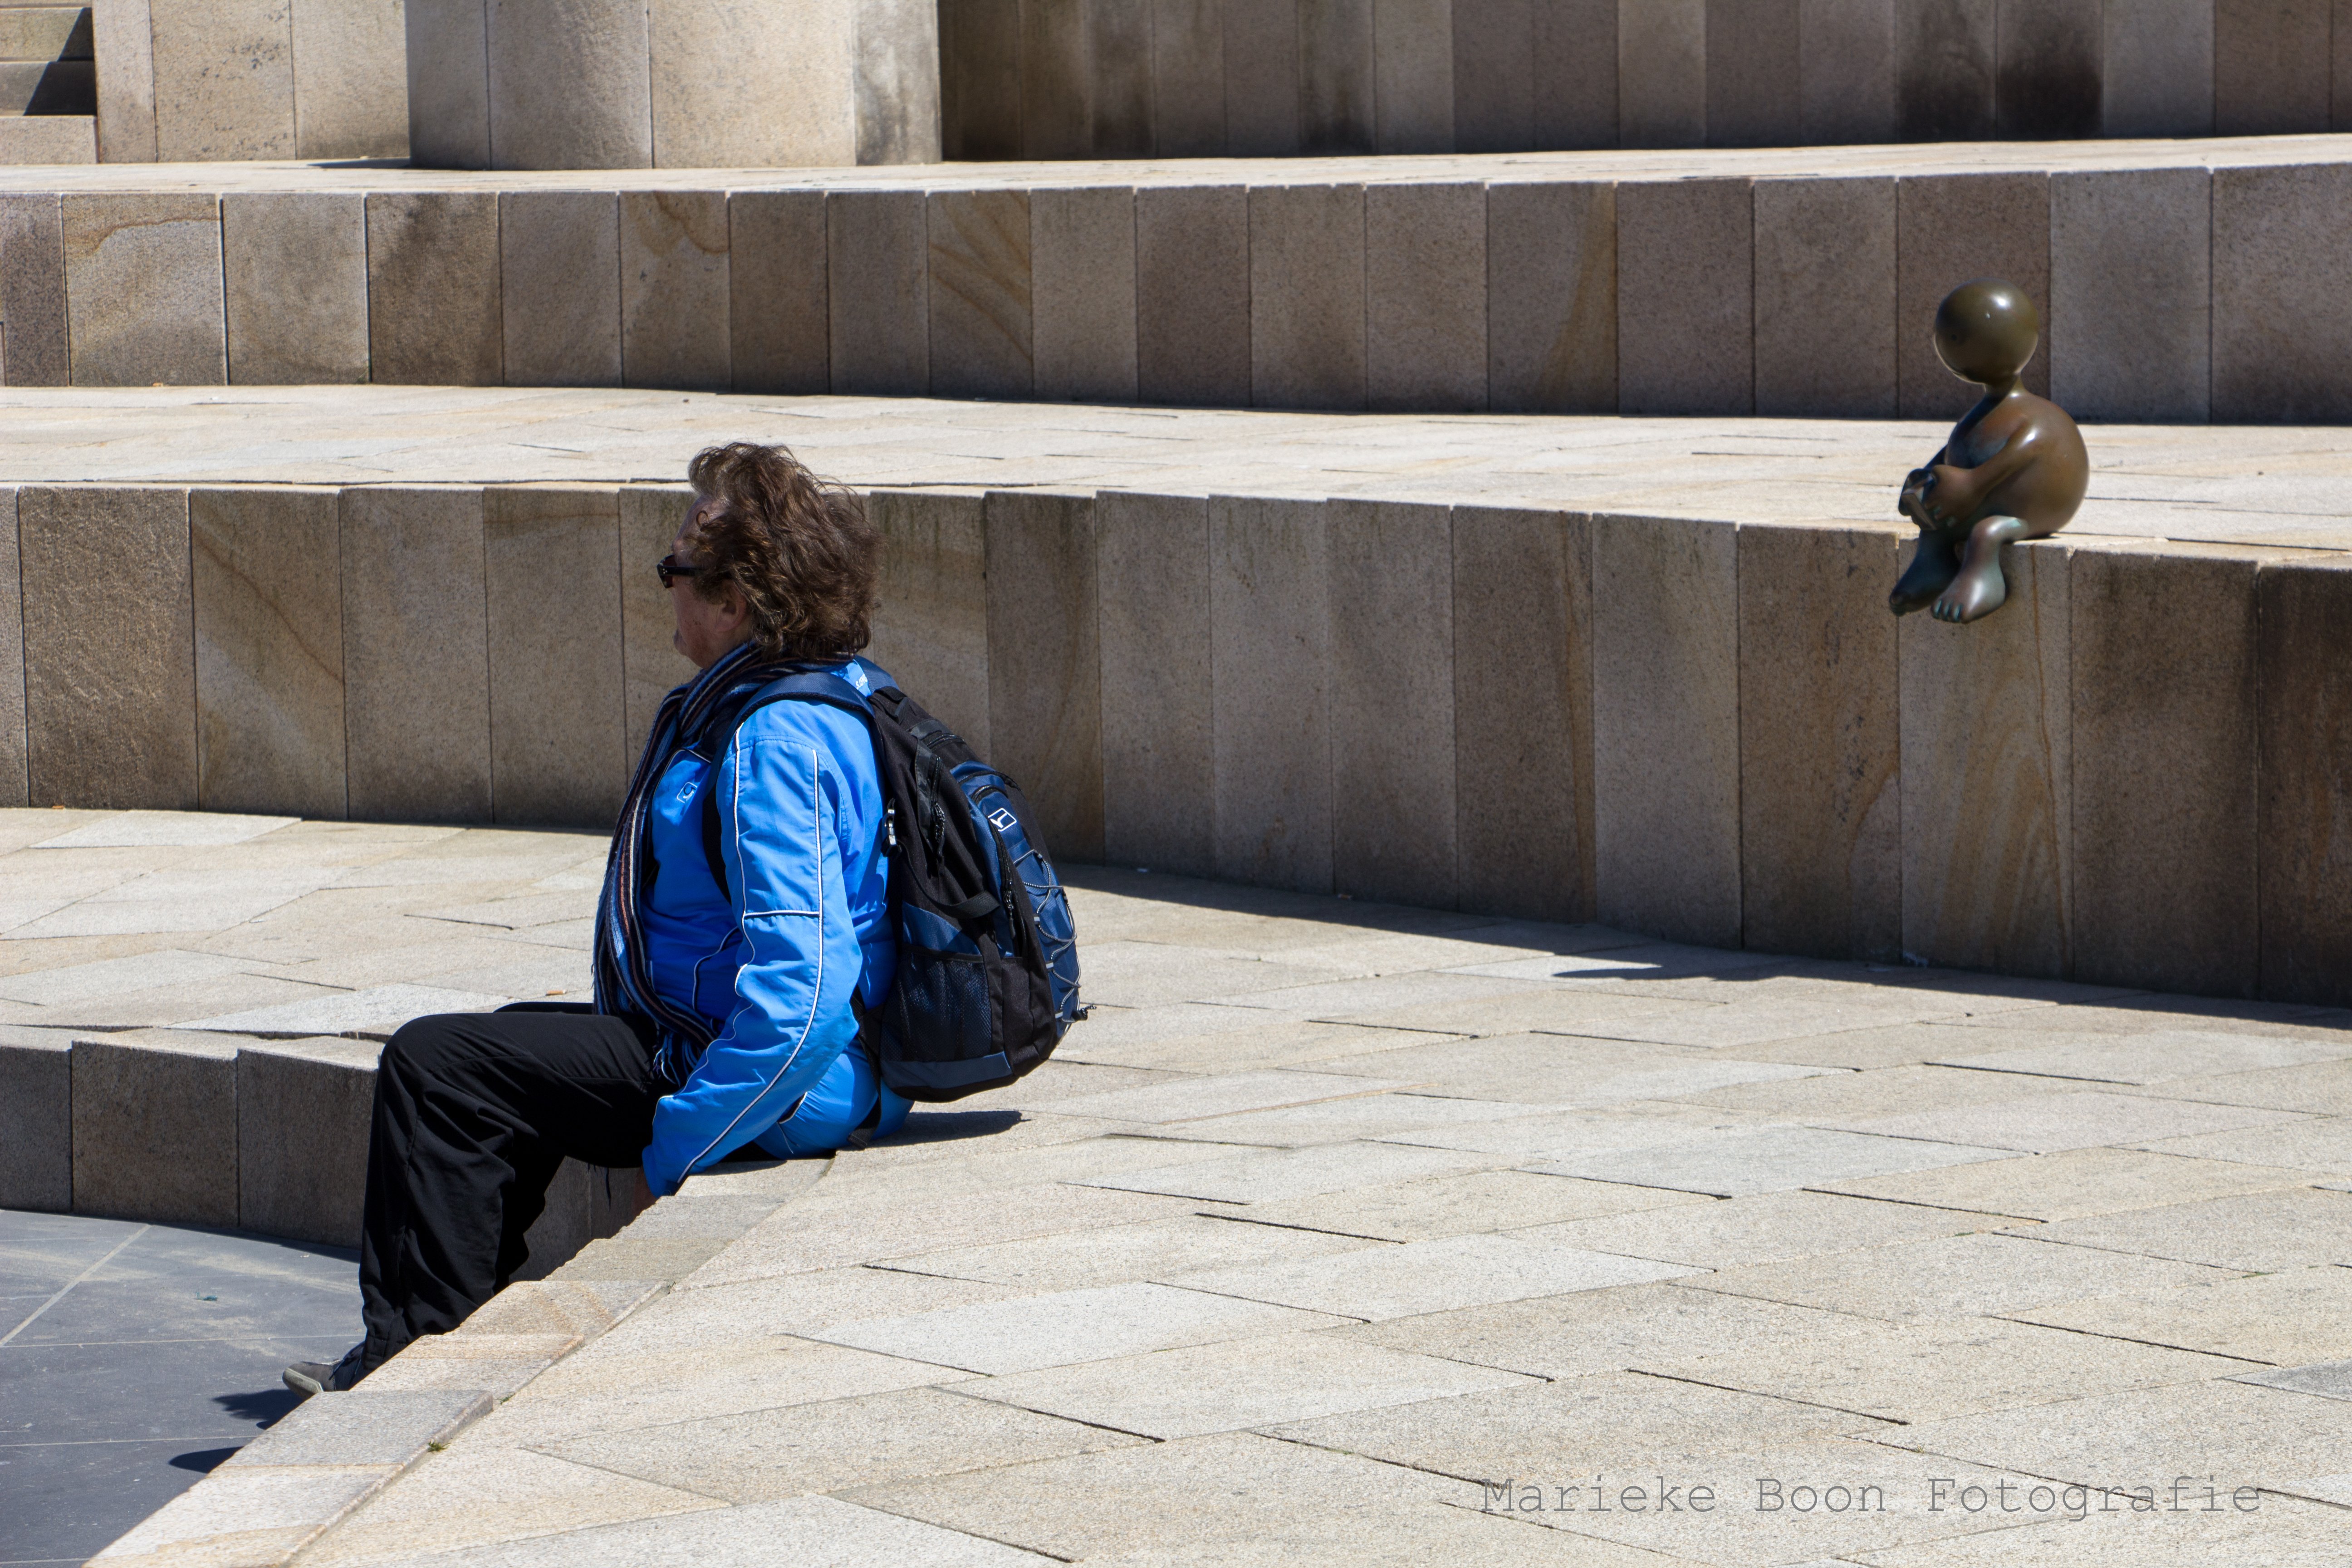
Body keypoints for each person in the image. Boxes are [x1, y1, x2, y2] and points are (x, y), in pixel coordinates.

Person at [286, 442, 910, 1397]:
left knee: (438, 1067)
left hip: (782, 1078)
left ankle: (409, 1362)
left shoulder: (774, 738)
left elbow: (808, 994)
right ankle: (447, 1329)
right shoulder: (828, 690)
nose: (667, 590)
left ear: (734, 601)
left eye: (674, 571)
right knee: (501, 1050)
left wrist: (678, 1146)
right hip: (770, 1052)